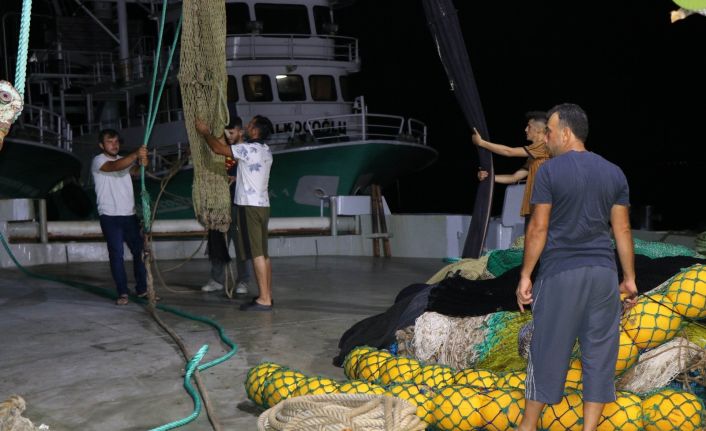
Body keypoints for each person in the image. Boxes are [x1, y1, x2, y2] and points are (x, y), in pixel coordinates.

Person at [515, 103, 638, 431]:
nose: (547, 140)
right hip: (602, 276)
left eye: (551, 133)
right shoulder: (614, 172)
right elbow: (622, 230)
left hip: (561, 275)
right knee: (599, 357)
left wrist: (525, 275)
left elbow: (538, 229)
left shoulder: (550, 172)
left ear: (566, 133)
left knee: (547, 352)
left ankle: (527, 427)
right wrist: (629, 279)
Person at [196, 115, 274, 311]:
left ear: (255, 131)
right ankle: (267, 295)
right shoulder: (265, 150)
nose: (247, 126)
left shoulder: (247, 149)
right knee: (264, 254)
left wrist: (205, 132)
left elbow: (218, 149)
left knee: (255, 254)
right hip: (263, 206)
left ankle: (263, 299)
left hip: (249, 208)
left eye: (251, 124)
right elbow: (250, 173)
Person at [91, 129, 149, 305]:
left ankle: (142, 289)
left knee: (140, 252)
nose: (114, 145)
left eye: (116, 141)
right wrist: (135, 155)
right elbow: (114, 167)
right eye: (110, 142)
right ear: (102, 145)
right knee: (117, 254)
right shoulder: (99, 160)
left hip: (129, 214)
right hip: (110, 216)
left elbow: (136, 172)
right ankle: (122, 292)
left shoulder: (124, 161)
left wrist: (143, 161)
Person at [201, 114, 253, 295]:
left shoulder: (248, 150)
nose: (229, 136)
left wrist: (237, 178)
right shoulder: (222, 152)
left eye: (232, 132)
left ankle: (244, 281)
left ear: (241, 131)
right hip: (220, 202)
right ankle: (216, 279)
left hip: (240, 203)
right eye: (226, 132)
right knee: (217, 241)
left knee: (242, 244)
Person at [472, 111, 550, 224]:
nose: (525, 130)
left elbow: (509, 152)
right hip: (534, 209)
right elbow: (514, 177)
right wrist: (490, 177)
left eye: (529, 126)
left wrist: (481, 143)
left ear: (540, 130)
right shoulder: (535, 157)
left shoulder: (544, 147)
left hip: (543, 208)